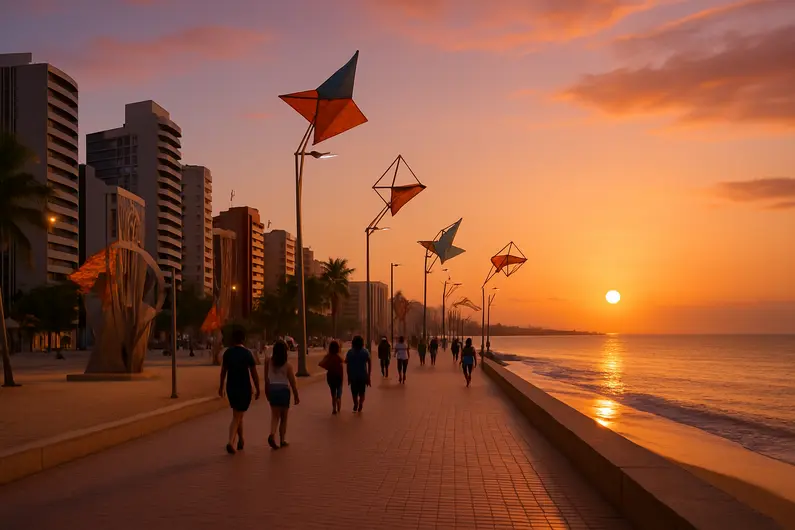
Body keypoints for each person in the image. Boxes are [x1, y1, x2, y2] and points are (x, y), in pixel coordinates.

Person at [218, 327, 260, 455]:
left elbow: (223, 371)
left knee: (238, 414)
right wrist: (258, 388)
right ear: (244, 339)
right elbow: (254, 373)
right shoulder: (247, 353)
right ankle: (231, 441)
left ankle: (241, 440)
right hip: (244, 388)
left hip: (231, 387)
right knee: (237, 416)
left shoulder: (228, 353)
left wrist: (221, 387)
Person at [264, 340, 300, 449]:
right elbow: (292, 381)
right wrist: (296, 395)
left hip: (272, 389)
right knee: (284, 418)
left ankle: (272, 434)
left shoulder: (268, 362)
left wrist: (267, 391)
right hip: (284, 390)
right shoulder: (288, 365)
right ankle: (282, 440)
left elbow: (266, 378)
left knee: (275, 416)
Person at [345, 335, 371, 412]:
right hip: (363, 375)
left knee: (354, 392)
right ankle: (361, 403)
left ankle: (355, 403)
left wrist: (348, 376)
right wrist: (368, 375)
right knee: (362, 392)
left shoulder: (350, 352)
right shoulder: (365, 352)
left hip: (353, 376)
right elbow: (369, 362)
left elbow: (347, 364)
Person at [319, 340, 344, 414]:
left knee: (333, 393)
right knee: (339, 390)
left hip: (330, 376)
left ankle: (334, 409)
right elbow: (343, 362)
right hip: (338, 376)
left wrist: (328, 367)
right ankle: (339, 399)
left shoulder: (328, 356)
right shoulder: (338, 357)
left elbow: (321, 363)